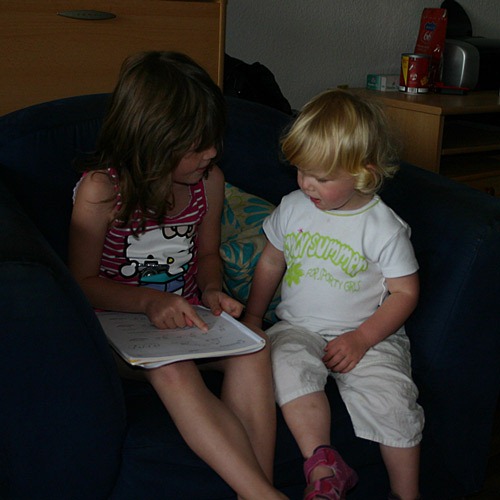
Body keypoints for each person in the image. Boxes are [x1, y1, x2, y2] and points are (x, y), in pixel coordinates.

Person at [68, 50, 286, 500]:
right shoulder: (102, 190)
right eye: (196, 145)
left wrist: (212, 290)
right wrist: (150, 301)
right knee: (173, 369)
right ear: (151, 140)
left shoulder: (209, 181)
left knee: (255, 349)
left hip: (187, 320)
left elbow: (207, 254)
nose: (212, 152)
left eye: (213, 140)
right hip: (115, 330)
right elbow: (81, 282)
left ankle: (256, 490)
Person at [243, 89, 425, 500]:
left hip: (368, 333)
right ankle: (323, 467)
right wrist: (253, 318)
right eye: (301, 170)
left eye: (322, 178)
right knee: (285, 365)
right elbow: (271, 262)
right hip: (298, 327)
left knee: (394, 400)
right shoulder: (293, 207)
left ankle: (406, 493)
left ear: (364, 172)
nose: (306, 184)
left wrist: (362, 338)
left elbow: (405, 292)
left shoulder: (383, 227)